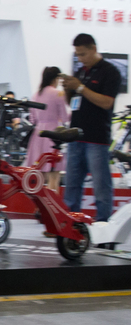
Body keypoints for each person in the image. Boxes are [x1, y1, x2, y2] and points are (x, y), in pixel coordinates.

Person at [62, 33, 122, 223]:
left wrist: (80, 88)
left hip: (96, 138)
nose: (80, 59)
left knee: (101, 185)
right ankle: (71, 224)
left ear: (94, 49)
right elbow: (73, 103)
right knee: (72, 184)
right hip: (75, 137)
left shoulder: (110, 71)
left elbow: (106, 103)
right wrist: (68, 90)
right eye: (77, 55)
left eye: (83, 54)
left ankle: (103, 225)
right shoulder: (81, 71)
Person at [25, 67, 69, 193]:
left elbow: (32, 120)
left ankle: (39, 207)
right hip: (53, 133)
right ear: (56, 79)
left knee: (39, 175)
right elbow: (65, 118)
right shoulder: (58, 94)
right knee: (54, 176)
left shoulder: (35, 95)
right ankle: (52, 206)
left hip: (38, 135)